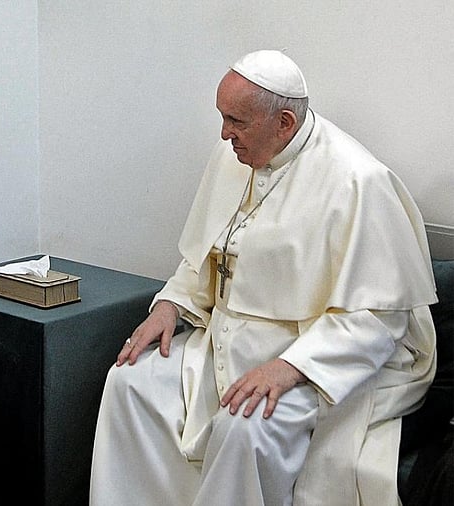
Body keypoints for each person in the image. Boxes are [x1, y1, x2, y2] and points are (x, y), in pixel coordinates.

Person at [89, 50, 437, 505]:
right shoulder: (234, 155)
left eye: (236, 121)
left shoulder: (358, 181)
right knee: (129, 382)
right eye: (222, 117)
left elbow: (377, 319)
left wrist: (289, 367)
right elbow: (210, 255)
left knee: (243, 426)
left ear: (285, 123)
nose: (223, 133)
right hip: (228, 338)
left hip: (318, 359)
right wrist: (172, 304)